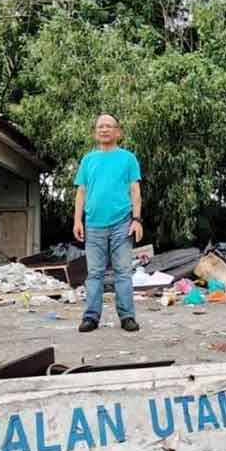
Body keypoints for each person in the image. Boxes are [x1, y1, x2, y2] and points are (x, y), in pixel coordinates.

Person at [73, 114, 143, 333]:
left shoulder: (128, 158)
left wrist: (137, 219)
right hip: (93, 225)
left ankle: (127, 317)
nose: (104, 130)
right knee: (94, 273)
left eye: (109, 126)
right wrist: (77, 220)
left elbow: (135, 190)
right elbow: (81, 191)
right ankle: (91, 318)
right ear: (96, 131)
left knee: (123, 272)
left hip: (122, 222)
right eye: (100, 126)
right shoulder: (87, 160)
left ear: (118, 132)